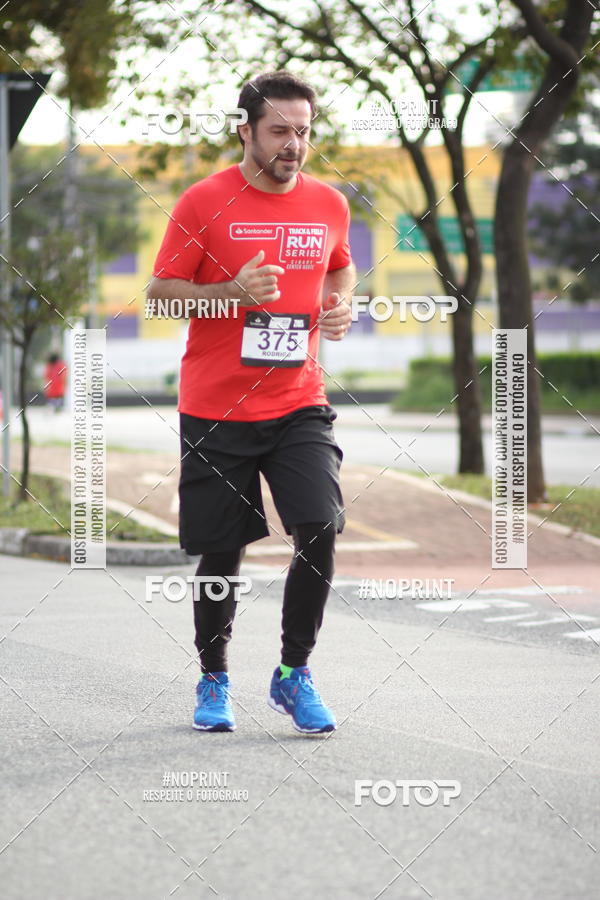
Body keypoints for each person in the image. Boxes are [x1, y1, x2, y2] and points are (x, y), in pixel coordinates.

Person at [147, 71, 355, 734]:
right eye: (279, 131)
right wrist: (232, 293)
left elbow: (340, 262)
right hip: (216, 408)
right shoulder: (203, 202)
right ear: (246, 130)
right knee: (223, 553)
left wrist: (343, 300)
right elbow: (160, 294)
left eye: (303, 131)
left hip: (299, 400)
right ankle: (213, 678)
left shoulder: (328, 203)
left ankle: (294, 674)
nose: (293, 144)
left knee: (319, 527)